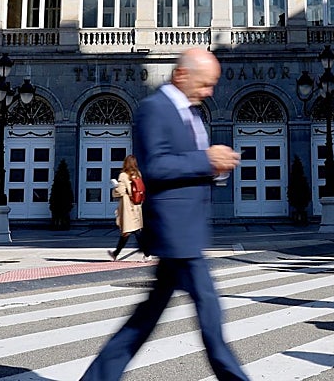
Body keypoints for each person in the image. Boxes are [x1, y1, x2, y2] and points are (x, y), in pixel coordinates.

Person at [81, 48, 246, 381]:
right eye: (205, 83)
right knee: (210, 315)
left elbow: (190, 163)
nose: (210, 92)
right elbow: (155, 167)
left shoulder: (192, 112)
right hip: (174, 232)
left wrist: (216, 167)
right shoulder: (154, 109)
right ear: (182, 75)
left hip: (185, 231)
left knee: (146, 318)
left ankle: (97, 378)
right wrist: (207, 160)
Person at [109, 155, 147, 261]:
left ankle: (147, 253)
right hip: (137, 205)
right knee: (128, 231)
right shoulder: (138, 174)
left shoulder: (123, 175)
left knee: (131, 230)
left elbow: (120, 191)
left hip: (127, 206)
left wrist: (115, 188)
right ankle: (116, 253)